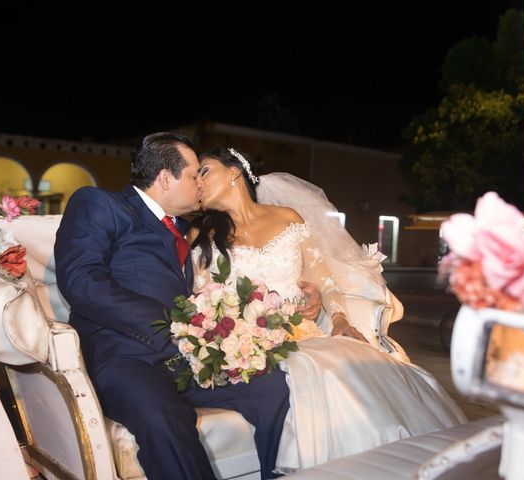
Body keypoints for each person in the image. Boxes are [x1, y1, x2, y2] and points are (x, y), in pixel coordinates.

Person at [54, 133, 320, 480]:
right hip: (125, 357)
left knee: (274, 389)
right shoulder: (101, 204)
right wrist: (174, 324)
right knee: (165, 417)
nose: (200, 185)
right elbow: (80, 280)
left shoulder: (189, 230)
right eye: (195, 175)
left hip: (189, 359)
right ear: (166, 178)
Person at [190, 146, 469, 473]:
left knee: (360, 368)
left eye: (204, 171)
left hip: (305, 333)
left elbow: (323, 279)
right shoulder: (203, 235)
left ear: (234, 172)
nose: (198, 182)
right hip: (255, 348)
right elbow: (203, 301)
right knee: (319, 377)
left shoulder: (289, 219)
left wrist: (336, 316)